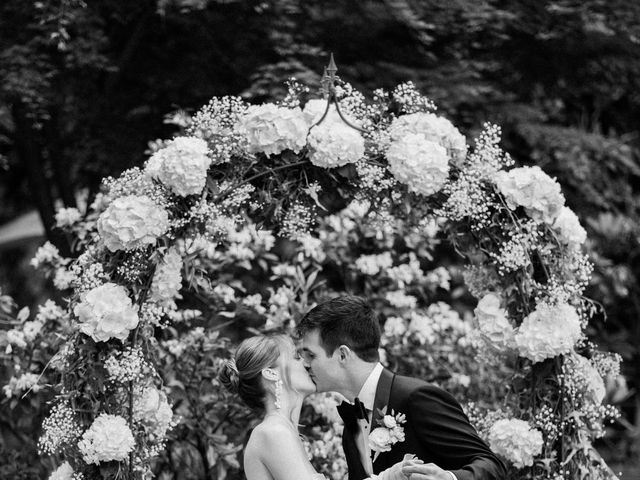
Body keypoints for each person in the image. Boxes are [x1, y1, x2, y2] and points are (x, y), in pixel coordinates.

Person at [296, 296, 507, 480]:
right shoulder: (351, 424)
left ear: (343, 355)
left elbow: (492, 467)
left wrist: (449, 478)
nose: (304, 364)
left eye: (311, 355)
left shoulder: (417, 398)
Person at [219, 334, 418, 480]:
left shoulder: (281, 431)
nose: (306, 363)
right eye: (296, 358)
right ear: (271, 374)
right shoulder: (273, 432)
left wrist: (392, 476)